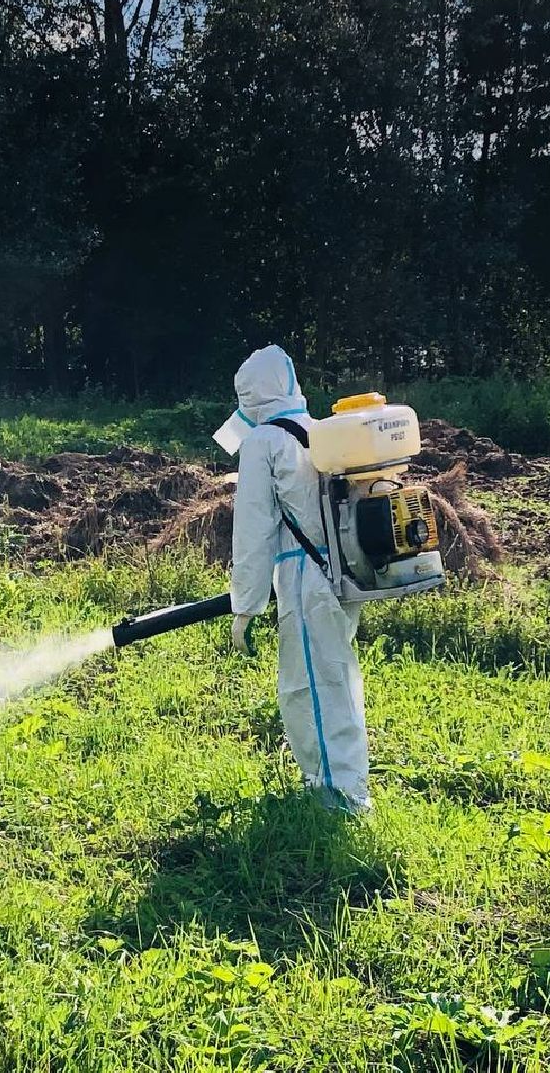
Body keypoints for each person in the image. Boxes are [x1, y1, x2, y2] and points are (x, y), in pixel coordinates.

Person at [213, 344, 369, 814]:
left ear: (251, 394)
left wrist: (245, 604)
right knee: (335, 676)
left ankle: (337, 795)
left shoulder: (263, 442)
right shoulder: (316, 430)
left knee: (312, 687)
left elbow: (254, 532)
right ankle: (336, 783)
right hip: (340, 571)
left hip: (305, 576)